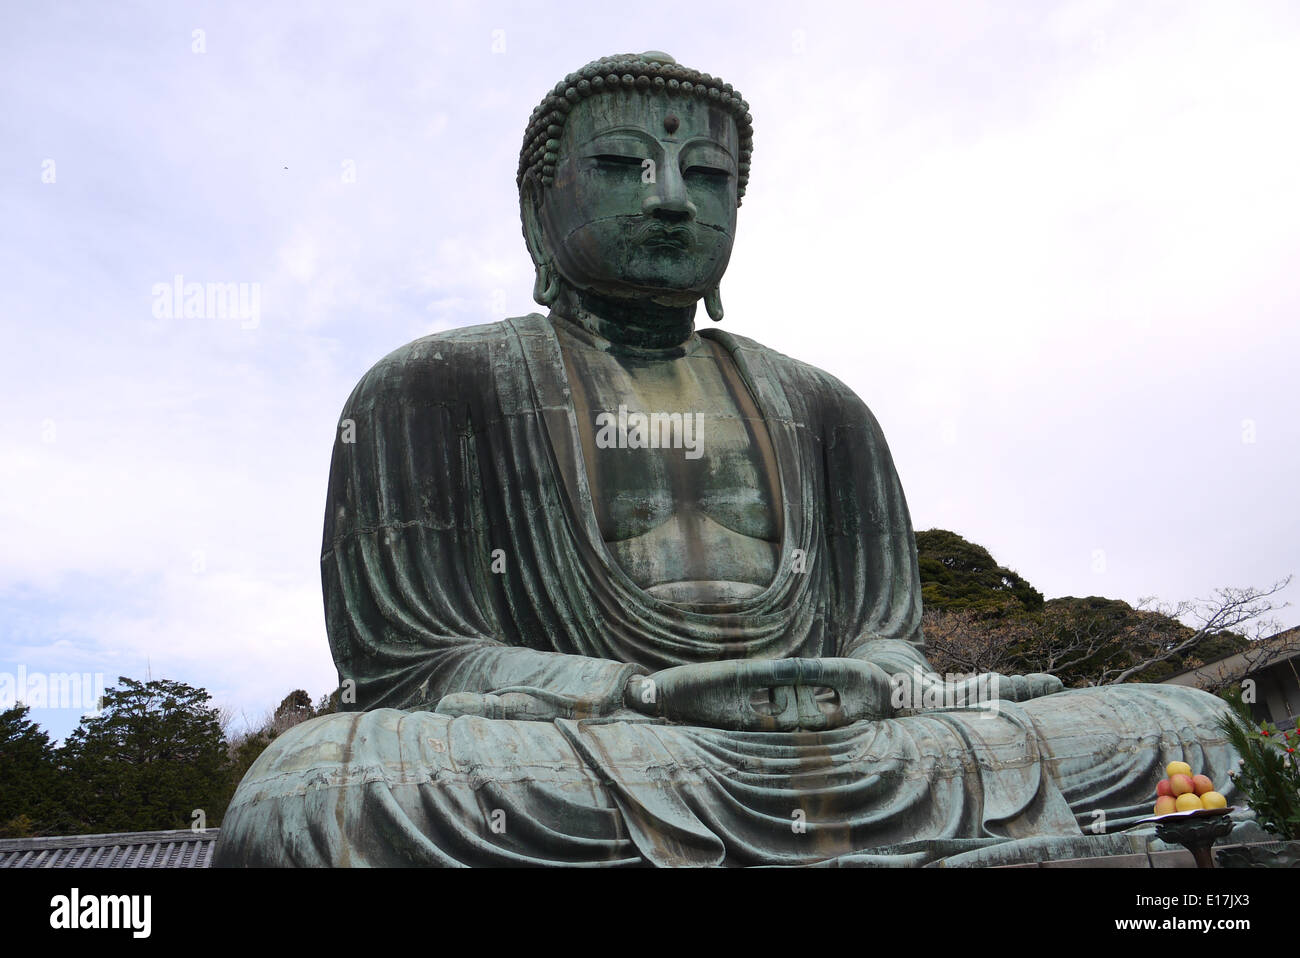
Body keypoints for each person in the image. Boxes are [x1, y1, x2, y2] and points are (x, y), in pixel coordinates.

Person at [215, 53, 1238, 867]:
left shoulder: (821, 405)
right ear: (538, 209)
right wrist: (639, 695)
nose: (670, 200)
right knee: (319, 791)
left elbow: (885, 639)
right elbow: (418, 667)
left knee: (1190, 728)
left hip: (857, 745)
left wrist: (892, 686)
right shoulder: (432, 385)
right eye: (622, 168)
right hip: (610, 748)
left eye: (707, 177)